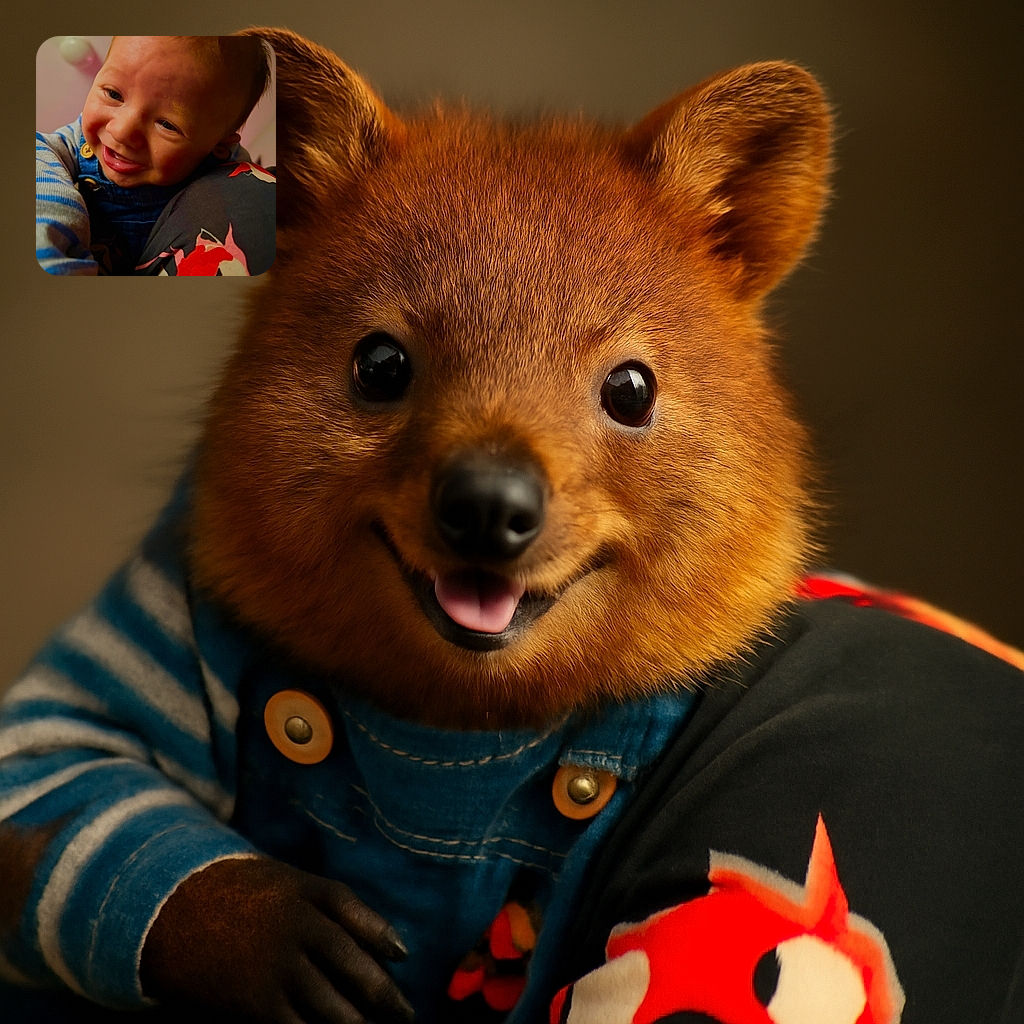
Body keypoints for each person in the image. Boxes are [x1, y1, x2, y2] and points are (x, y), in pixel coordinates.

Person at [35, 35, 275, 276]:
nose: (121, 131)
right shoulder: (73, 142)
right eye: (114, 94)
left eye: (167, 124)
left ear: (218, 146)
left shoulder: (230, 176)